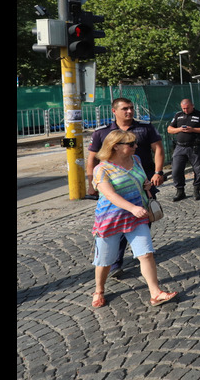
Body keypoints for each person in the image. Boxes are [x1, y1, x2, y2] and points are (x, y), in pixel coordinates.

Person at [90, 130, 178, 308]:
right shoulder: (101, 169)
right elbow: (110, 195)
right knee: (105, 261)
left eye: (135, 143)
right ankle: (99, 290)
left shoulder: (136, 160)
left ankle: (155, 293)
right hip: (111, 219)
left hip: (137, 217)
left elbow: (142, 180)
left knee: (146, 254)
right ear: (115, 146)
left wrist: (146, 185)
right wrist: (132, 208)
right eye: (131, 144)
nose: (135, 147)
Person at [86, 97, 165, 277]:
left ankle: (142, 253)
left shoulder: (145, 127)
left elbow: (158, 149)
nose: (129, 111)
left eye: (131, 108)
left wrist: (158, 172)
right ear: (114, 111)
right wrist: (91, 183)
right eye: (125, 109)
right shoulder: (102, 132)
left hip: (141, 183)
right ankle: (115, 262)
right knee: (118, 225)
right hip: (115, 186)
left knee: (143, 221)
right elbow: (92, 159)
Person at [167, 99, 200, 201]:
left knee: (198, 170)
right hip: (180, 147)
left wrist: (193, 130)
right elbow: (169, 129)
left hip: (195, 147)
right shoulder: (178, 115)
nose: (185, 110)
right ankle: (180, 191)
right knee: (176, 170)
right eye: (183, 108)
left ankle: (196, 190)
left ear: (192, 106)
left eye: (187, 108)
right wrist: (179, 129)